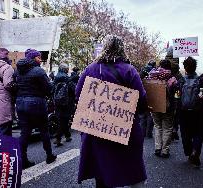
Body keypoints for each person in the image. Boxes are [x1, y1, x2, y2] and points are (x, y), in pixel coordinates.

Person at [76, 35, 147, 187]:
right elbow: (141, 99)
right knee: (130, 166)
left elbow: (78, 94)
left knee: (102, 168)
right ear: (122, 49)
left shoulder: (90, 68)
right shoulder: (129, 70)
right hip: (124, 128)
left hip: (98, 128)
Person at [15, 49, 56, 169]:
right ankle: (49, 155)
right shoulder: (38, 71)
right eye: (38, 57)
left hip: (21, 103)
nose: (40, 59)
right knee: (44, 130)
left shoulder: (17, 71)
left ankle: (23, 159)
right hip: (36, 102)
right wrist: (51, 84)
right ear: (33, 58)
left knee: (25, 132)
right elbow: (49, 89)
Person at [177, 57, 203, 168]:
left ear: (185, 67)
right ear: (195, 67)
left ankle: (189, 153)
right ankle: (195, 151)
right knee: (199, 133)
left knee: (185, 133)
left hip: (183, 111)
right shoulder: (201, 80)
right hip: (197, 111)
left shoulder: (181, 80)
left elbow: (177, 95)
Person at [150, 59, 176, 158]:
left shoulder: (152, 75)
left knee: (157, 126)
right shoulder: (172, 78)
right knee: (167, 128)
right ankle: (165, 150)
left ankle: (157, 148)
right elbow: (176, 94)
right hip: (167, 106)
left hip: (155, 104)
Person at [53, 62, 72, 147]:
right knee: (64, 119)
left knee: (61, 118)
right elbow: (72, 89)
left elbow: (52, 89)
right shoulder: (67, 78)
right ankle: (58, 137)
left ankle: (67, 136)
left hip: (57, 101)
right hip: (66, 101)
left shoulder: (55, 77)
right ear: (65, 69)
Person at [139, 60, 155, 138]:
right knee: (150, 115)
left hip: (142, 95)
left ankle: (142, 132)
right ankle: (149, 133)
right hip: (151, 95)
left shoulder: (142, 71)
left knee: (142, 115)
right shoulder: (154, 72)